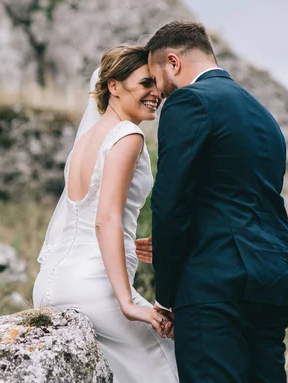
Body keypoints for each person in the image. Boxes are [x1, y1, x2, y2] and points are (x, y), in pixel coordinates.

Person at [137, 21, 288, 383]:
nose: (160, 92)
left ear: (173, 62)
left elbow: (171, 202)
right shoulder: (264, 116)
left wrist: (165, 297)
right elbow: (236, 196)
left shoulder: (189, 101)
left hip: (215, 284)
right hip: (273, 280)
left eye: (157, 78)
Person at [32, 44, 179, 383]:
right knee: (170, 361)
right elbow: (106, 218)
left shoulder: (85, 141)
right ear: (113, 85)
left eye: (156, 84)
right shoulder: (128, 135)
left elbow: (89, 215)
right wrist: (127, 303)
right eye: (145, 83)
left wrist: (129, 241)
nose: (156, 92)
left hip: (50, 286)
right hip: (96, 288)